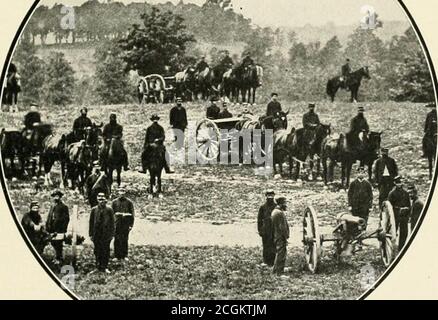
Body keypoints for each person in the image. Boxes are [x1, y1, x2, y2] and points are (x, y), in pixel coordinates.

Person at [89, 192, 115, 274]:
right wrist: (90, 234)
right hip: (97, 233)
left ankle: (104, 266)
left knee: (105, 250)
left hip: (106, 234)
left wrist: (111, 234)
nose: (101, 199)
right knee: (97, 250)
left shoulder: (109, 209)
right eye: (99, 197)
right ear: (97, 199)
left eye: (103, 197)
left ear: (105, 199)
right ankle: (98, 266)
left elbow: (113, 223)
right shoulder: (94, 210)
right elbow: (91, 222)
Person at [347, 167, 373, 239]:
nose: (360, 174)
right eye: (359, 172)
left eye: (362, 172)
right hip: (355, 206)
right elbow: (350, 195)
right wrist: (350, 205)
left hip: (364, 206)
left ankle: (362, 237)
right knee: (355, 221)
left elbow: (370, 196)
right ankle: (356, 238)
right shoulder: (353, 183)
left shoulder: (367, 184)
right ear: (357, 174)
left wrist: (370, 206)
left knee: (364, 220)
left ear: (365, 174)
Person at [45, 190, 70, 264]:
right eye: (55, 196)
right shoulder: (52, 206)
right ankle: (56, 257)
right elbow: (49, 217)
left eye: (57, 196)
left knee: (59, 243)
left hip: (59, 229)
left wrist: (63, 228)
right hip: (52, 228)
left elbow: (66, 219)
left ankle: (59, 258)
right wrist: (48, 226)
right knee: (53, 242)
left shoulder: (63, 207)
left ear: (60, 197)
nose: (56, 198)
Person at [112, 185, 135, 262]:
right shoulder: (114, 202)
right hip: (117, 223)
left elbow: (132, 214)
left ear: (125, 192)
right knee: (117, 239)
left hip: (125, 223)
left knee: (125, 239)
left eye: (123, 191)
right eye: (120, 191)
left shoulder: (129, 202)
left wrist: (131, 225)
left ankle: (124, 255)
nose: (121, 193)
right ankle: (116, 255)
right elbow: (111, 214)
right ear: (118, 192)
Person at [388, 176, 411, 250]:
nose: (399, 184)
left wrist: (408, 213)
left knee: (404, 232)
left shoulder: (406, 193)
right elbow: (389, 206)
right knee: (393, 232)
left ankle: (401, 247)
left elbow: (408, 204)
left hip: (404, 215)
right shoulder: (392, 193)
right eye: (397, 183)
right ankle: (392, 246)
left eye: (400, 183)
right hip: (395, 214)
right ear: (394, 183)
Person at [257, 190, 277, 267]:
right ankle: (266, 261)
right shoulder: (262, 207)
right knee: (266, 245)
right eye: (268, 195)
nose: (270, 197)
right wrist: (260, 230)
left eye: (271, 195)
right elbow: (259, 220)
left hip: (274, 229)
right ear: (266, 196)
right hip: (265, 230)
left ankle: (273, 261)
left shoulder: (276, 206)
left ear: (273, 196)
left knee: (273, 245)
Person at [271, 196, 290, 276]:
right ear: (281, 203)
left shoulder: (275, 211)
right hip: (280, 236)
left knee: (279, 253)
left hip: (277, 235)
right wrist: (286, 236)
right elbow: (282, 227)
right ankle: (280, 273)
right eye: (285, 203)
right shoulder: (279, 213)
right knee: (281, 254)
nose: (286, 205)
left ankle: (275, 270)